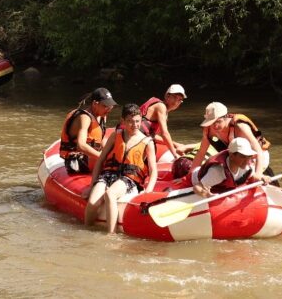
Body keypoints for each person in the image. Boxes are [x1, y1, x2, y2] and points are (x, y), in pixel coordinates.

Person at [84, 104, 157, 234]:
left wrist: (148, 191)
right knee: (93, 202)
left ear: (141, 120)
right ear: (122, 121)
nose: (134, 125)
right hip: (109, 174)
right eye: (130, 121)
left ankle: (110, 235)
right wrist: (92, 185)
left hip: (129, 179)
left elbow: (153, 171)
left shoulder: (147, 142)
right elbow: (100, 160)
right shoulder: (115, 135)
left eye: (137, 121)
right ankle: (86, 229)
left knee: (110, 194)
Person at [190, 102, 272, 182]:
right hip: (236, 158)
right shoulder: (209, 129)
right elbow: (201, 152)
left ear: (226, 117)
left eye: (218, 121)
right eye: (211, 122)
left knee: (239, 176)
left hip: (258, 156)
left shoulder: (240, 126)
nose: (215, 126)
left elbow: (258, 150)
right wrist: (190, 175)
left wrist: (258, 174)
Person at [59, 88, 117, 174]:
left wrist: (112, 152)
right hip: (77, 161)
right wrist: (102, 157)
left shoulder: (102, 116)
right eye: (105, 106)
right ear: (95, 104)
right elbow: (81, 146)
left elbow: (101, 140)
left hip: (91, 157)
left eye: (110, 105)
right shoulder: (85, 118)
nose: (109, 109)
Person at [133, 84, 194, 156]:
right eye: (174, 97)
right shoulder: (161, 106)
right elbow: (165, 134)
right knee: (174, 153)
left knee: (175, 147)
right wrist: (175, 154)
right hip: (133, 140)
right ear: (167, 96)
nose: (176, 102)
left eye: (179, 100)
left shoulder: (164, 112)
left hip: (139, 139)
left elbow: (152, 135)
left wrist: (176, 144)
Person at [192, 137, 263, 197]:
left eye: (249, 156)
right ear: (231, 155)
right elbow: (197, 187)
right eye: (243, 156)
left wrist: (263, 177)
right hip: (195, 178)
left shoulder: (247, 166)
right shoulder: (218, 171)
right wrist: (207, 195)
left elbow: (252, 176)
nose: (247, 160)